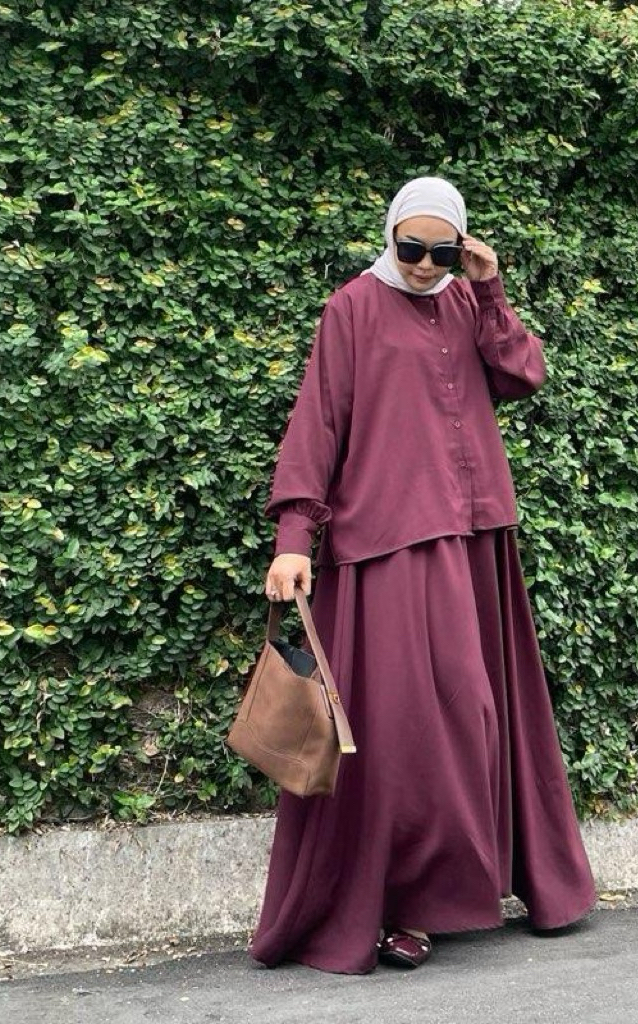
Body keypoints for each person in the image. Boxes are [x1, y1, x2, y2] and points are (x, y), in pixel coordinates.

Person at [252, 177, 596, 974]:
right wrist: (295, 536)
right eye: (410, 247)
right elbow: (318, 420)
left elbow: (522, 376)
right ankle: (398, 907)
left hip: (474, 541)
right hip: (389, 545)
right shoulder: (352, 308)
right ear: (390, 237)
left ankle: (514, 883)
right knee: (404, 731)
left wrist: (490, 286)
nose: (422, 263)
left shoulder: (468, 301)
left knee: (482, 715)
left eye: (440, 251)